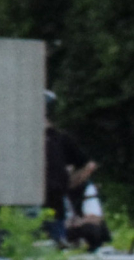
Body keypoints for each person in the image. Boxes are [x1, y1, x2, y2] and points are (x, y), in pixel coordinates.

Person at [41, 93, 96, 246]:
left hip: (55, 206)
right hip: (27, 207)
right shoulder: (22, 139)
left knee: (58, 245)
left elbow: (87, 164)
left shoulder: (58, 138)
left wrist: (69, 183)